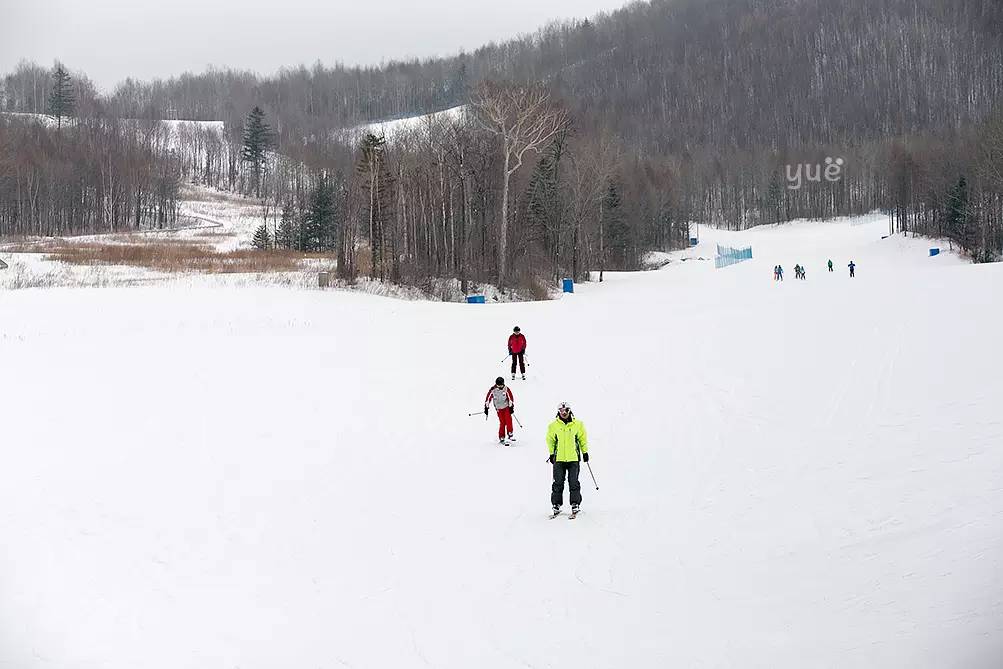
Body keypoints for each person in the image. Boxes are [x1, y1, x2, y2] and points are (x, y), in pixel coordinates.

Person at [546, 401, 589, 516]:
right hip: (559, 459)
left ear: (569, 411)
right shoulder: (553, 426)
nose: (563, 413)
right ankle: (556, 504)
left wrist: (585, 452)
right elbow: (550, 440)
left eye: (565, 411)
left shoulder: (578, 424)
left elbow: (582, 439)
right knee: (558, 482)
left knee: (573, 481)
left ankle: (575, 503)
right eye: (561, 411)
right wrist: (551, 453)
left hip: (573, 459)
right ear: (558, 411)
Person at [484, 376, 515, 444]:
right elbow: (488, 398)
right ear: (496, 384)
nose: (500, 386)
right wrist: (486, 407)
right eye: (499, 385)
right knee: (502, 422)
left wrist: (511, 406)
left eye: (501, 385)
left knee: (508, 420)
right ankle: (501, 436)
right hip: (498, 408)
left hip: (506, 406)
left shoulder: (506, 389)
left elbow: (510, 398)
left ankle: (510, 433)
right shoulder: (493, 390)